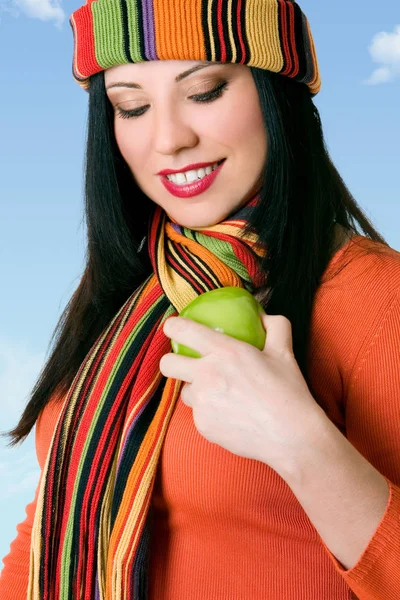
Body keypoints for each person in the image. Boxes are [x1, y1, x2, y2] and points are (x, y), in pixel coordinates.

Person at [1, 0, 400, 598]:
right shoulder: (131, 296)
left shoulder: (375, 297)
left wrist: (301, 442)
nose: (168, 138)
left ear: (277, 94)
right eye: (131, 106)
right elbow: (47, 533)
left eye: (206, 90)